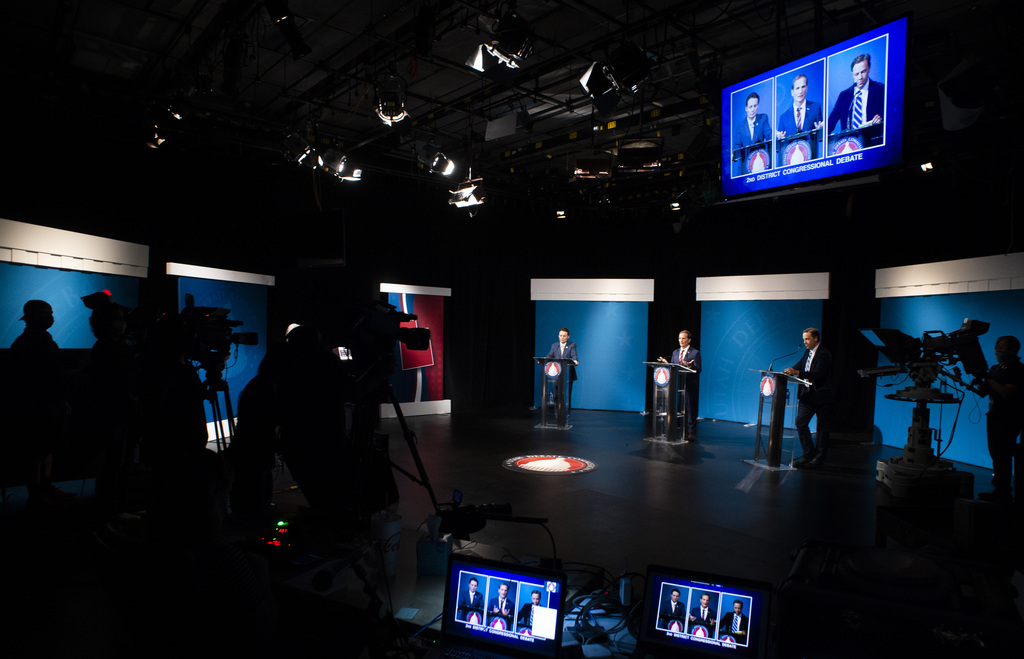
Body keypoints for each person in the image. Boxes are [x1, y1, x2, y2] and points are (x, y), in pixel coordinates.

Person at [5, 300, 73, 509]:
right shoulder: (29, 342)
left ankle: (44, 487)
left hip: (46, 404)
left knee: (45, 448)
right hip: (36, 406)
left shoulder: (35, 339)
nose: (50, 317)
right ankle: (37, 493)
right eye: (46, 313)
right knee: (36, 451)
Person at [972, 336, 1024, 506]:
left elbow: (1006, 392)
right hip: (994, 417)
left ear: (1014, 351)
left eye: (1002, 349)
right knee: (997, 456)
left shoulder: (1018, 370)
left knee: (1003, 455)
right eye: (997, 348)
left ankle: (1004, 494)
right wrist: (980, 379)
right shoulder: (995, 369)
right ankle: (999, 490)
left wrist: (987, 378)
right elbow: (984, 391)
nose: (999, 352)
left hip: (1009, 419)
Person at [784, 327, 834, 468]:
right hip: (808, 395)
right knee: (800, 423)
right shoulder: (807, 352)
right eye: (804, 339)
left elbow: (818, 374)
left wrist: (797, 372)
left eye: (807, 339)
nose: (805, 342)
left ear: (816, 338)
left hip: (822, 395)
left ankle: (819, 457)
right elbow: (799, 366)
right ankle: (808, 454)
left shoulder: (824, 354)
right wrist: (790, 370)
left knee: (822, 428)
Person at [658, 330, 701, 439]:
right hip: (677, 385)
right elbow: (674, 367)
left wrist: (690, 366)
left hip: (690, 385)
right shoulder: (675, 352)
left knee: (690, 409)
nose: (681, 341)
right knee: (676, 407)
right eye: (679, 338)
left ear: (689, 340)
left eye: (683, 338)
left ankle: (691, 431)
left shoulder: (695, 353)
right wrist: (667, 364)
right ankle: (676, 427)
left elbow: (699, 369)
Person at [828, 54, 884, 134]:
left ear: (869, 69)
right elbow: (831, 122)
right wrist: (822, 129)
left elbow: (888, 118)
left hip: (872, 140)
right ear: (852, 74)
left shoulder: (880, 89)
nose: (860, 77)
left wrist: (880, 121)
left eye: (863, 72)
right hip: (849, 143)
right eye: (856, 74)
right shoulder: (844, 96)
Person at [775, 74, 823, 139]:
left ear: (807, 88)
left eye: (803, 87)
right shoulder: (784, 117)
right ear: (792, 92)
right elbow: (779, 146)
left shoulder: (815, 108)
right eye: (797, 88)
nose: (800, 91)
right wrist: (780, 139)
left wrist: (821, 131)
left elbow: (821, 139)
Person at [545, 328, 579, 417]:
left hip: (568, 375)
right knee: (556, 396)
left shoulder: (572, 345)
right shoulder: (554, 345)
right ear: (558, 336)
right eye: (560, 335)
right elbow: (549, 355)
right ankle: (557, 415)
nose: (562, 337)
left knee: (566, 396)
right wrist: (543, 361)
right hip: (556, 375)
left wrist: (575, 361)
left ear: (568, 337)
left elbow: (574, 355)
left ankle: (566, 415)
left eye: (564, 336)